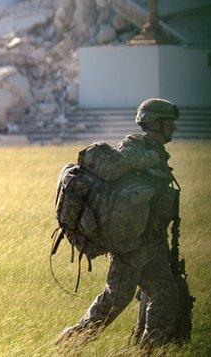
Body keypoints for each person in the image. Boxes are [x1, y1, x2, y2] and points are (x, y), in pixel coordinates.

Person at [57, 98, 182, 349]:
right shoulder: (135, 145)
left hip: (150, 243)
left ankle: (148, 349)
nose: (173, 128)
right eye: (169, 122)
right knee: (114, 301)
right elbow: (122, 164)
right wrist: (151, 158)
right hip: (130, 246)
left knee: (166, 295)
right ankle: (69, 343)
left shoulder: (157, 152)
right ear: (154, 122)